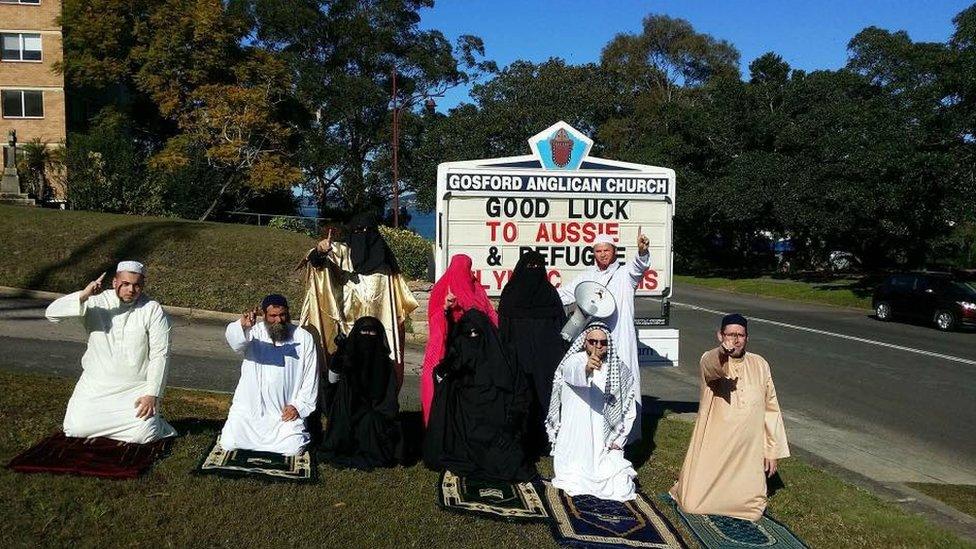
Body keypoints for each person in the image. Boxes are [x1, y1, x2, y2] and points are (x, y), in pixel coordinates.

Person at [670, 314, 790, 521]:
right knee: (691, 503)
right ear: (720, 335)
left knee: (752, 508)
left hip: (748, 447)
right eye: (730, 334)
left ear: (747, 337)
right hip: (716, 442)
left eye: (740, 335)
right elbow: (711, 368)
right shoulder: (710, 358)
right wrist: (722, 352)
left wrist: (771, 450)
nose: (735, 340)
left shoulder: (760, 364)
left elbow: (772, 408)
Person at [45, 261, 176, 444]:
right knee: (75, 428)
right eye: (126, 284)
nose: (131, 289)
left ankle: (154, 422)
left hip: (135, 389)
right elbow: (51, 314)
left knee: (142, 435)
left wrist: (152, 394)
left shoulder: (152, 309)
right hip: (95, 386)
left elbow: (160, 354)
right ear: (115, 282)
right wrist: (83, 295)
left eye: (136, 285)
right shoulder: (96, 300)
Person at [299, 213, 418, 389]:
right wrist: (320, 251)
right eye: (357, 230)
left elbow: (400, 304)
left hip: (379, 335)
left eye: (367, 231)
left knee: (376, 378)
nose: (362, 235)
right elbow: (318, 263)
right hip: (347, 330)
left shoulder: (385, 263)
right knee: (347, 378)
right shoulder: (342, 253)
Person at [423, 309, 535, 481]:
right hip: (464, 433)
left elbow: (521, 397)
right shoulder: (458, 362)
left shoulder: (506, 360)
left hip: (497, 433)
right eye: (468, 334)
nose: (472, 338)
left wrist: (511, 428)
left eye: (477, 333)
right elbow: (442, 392)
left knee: (508, 464)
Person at [558, 230, 649, 439]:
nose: (602, 254)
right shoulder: (587, 275)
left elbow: (639, 267)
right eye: (598, 251)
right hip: (593, 339)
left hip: (619, 337)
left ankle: (627, 434)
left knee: (624, 381)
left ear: (614, 251)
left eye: (606, 250)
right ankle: (595, 430)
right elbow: (565, 294)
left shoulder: (625, 274)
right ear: (593, 253)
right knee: (594, 379)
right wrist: (541, 294)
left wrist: (642, 252)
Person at [546, 323, 638, 501]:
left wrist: (619, 440)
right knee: (574, 481)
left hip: (604, 443)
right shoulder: (574, 360)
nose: (597, 346)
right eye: (592, 341)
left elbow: (628, 410)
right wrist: (587, 368)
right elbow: (573, 373)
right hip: (576, 443)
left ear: (608, 344)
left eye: (602, 342)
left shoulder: (619, 370)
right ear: (584, 342)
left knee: (621, 485)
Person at [219, 294, 319, 456]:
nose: (278, 320)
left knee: (293, 448)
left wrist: (298, 406)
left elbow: (310, 378)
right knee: (229, 442)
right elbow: (235, 343)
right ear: (264, 315)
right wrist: (242, 326)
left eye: (282, 315)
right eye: (273, 316)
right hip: (250, 413)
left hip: (283, 414)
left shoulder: (303, 338)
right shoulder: (254, 332)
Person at [498, 250, 567, 456]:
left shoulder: (550, 294)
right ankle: (519, 442)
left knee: (548, 398)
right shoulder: (511, 293)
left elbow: (561, 326)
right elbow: (504, 328)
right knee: (521, 397)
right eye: (530, 268)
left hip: (547, 359)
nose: (533, 272)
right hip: (518, 357)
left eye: (538, 268)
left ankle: (549, 440)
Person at [420, 253, 498, 425]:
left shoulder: (477, 288)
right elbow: (435, 318)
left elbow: (489, 315)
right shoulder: (442, 287)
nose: (464, 272)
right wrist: (446, 309)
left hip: (475, 351)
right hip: (449, 348)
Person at [320, 316, 400, 469]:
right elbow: (331, 382)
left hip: (374, 416)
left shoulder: (385, 364)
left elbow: (389, 401)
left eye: (372, 333)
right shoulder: (348, 358)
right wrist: (340, 353)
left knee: (370, 421)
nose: (368, 337)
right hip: (347, 411)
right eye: (364, 332)